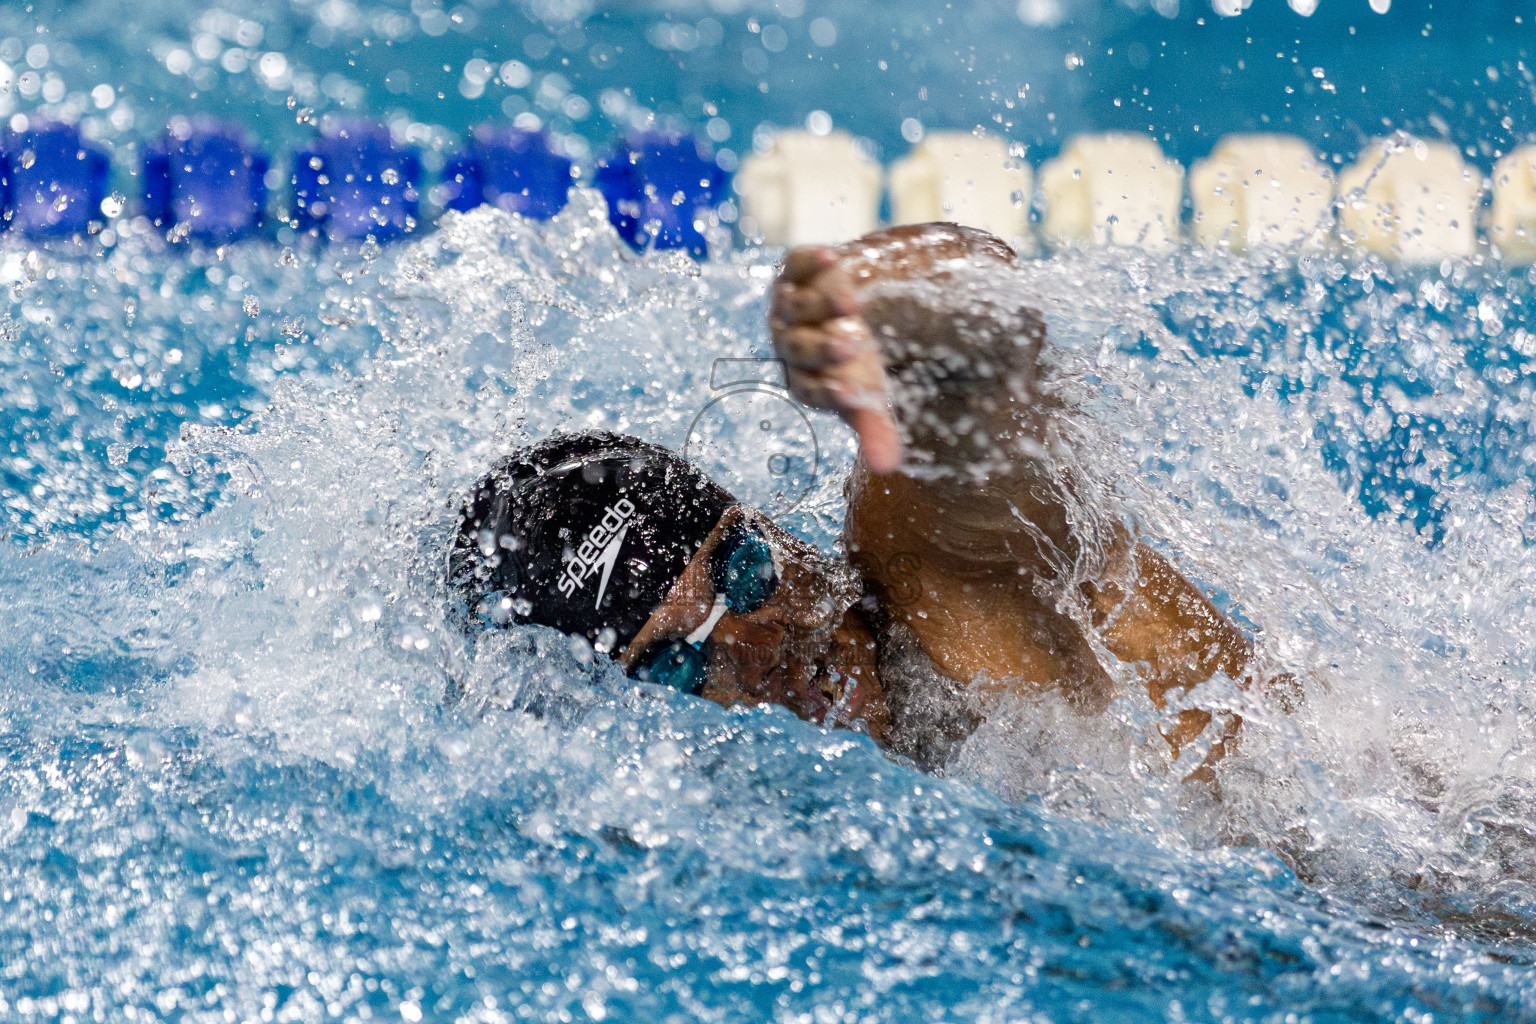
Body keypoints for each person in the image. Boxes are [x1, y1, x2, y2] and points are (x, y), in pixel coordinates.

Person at [449, 223, 1277, 780]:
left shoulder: (927, 587)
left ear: (767, 524)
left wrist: (872, 314)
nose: (759, 651)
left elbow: (982, 338)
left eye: (743, 572)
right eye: (679, 663)